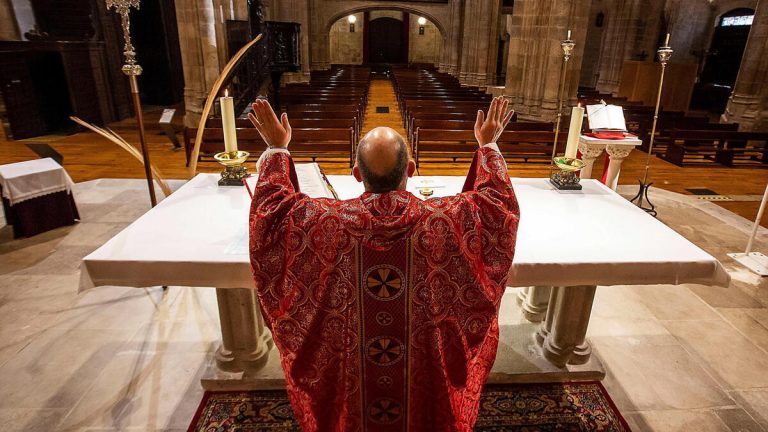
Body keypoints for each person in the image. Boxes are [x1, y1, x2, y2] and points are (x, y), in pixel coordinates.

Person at [248, 96, 520, 431]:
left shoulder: (325, 222)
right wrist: (488, 145)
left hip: (353, 381)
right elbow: (496, 207)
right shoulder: (445, 220)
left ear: (356, 174)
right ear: (411, 170)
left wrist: (277, 149)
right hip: (424, 374)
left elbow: (272, 214)